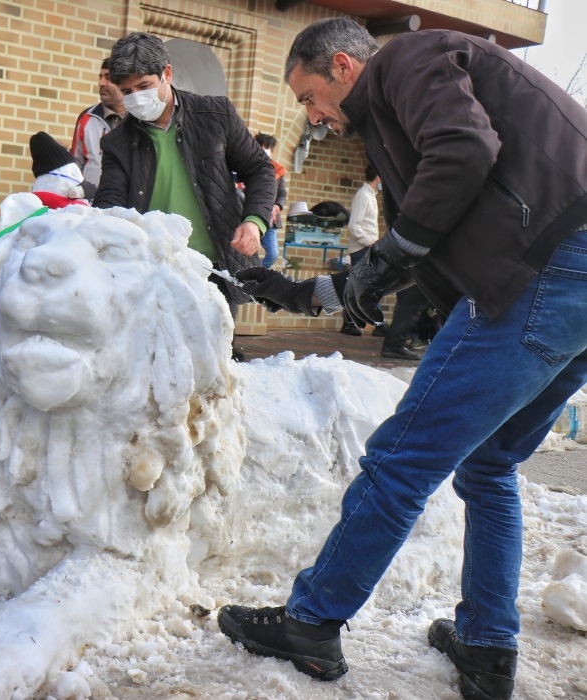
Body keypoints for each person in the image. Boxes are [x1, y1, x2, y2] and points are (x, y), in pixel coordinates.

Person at [218, 18, 587, 700]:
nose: (315, 117)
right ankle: (485, 646)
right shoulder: (402, 116)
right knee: (490, 464)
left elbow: (464, 149)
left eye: (309, 97)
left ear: (342, 66)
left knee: (400, 461)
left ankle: (313, 622)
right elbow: (420, 248)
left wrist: (388, 258)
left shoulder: (409, 59)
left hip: (547, 268)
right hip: (572, 278)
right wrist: (292, 292)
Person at [93, 32, 276, 349]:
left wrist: (254, 221)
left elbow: (260, 168)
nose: (136, 97)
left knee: (215, 359)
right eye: (127, 91)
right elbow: (109, 204)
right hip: (153, 272)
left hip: (214, 266)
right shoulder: (117, 143)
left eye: (144, 86)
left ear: (167, 73)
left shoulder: (215, 115)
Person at [70, 57, 126, 189]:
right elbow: (74, 166)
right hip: (90, 202)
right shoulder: (86, 117)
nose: (101, 83)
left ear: (123, 82)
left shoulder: (139, 119)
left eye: (108, 77)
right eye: (100, 77)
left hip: (126, 204)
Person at [339, 162, 381, 336]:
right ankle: (349, 323)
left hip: (368, 248)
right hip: (361, 249)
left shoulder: (371, 195)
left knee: (369, 287)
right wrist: (370, 241)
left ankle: (376, 324)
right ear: (379, 177)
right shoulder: (363, 195)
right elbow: (354, 225)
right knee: (358, 287)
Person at [252, 133, 287, 269]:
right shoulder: (246, 166)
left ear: (272, 151)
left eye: (267, 147)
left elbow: (282, 193)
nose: (264, 150)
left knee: (273, 253)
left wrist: (277, 207)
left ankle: (256, 272)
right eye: (261, 146)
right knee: (248, 251)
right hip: (250, 215)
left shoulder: (277, 169)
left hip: (270, 220)